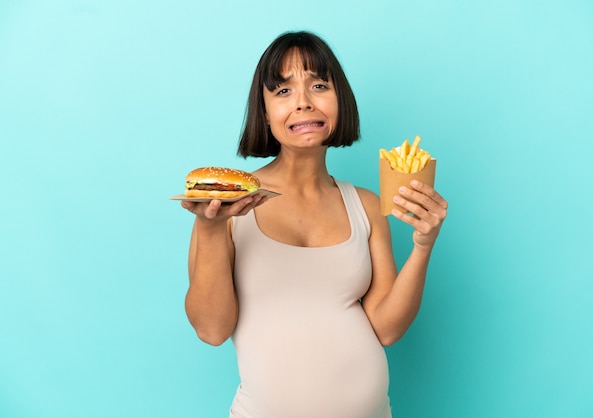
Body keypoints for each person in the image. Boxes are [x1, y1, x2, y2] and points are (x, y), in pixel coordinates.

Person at [181, 31, 448, 418]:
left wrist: (424, 244)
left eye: (319, 85)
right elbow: (211, 329)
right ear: (265, 111)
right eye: (283, 92)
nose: (304, 103)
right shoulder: (228, 206)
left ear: (341, 100)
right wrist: (208, 230)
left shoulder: (366, 206)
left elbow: (387, 329)